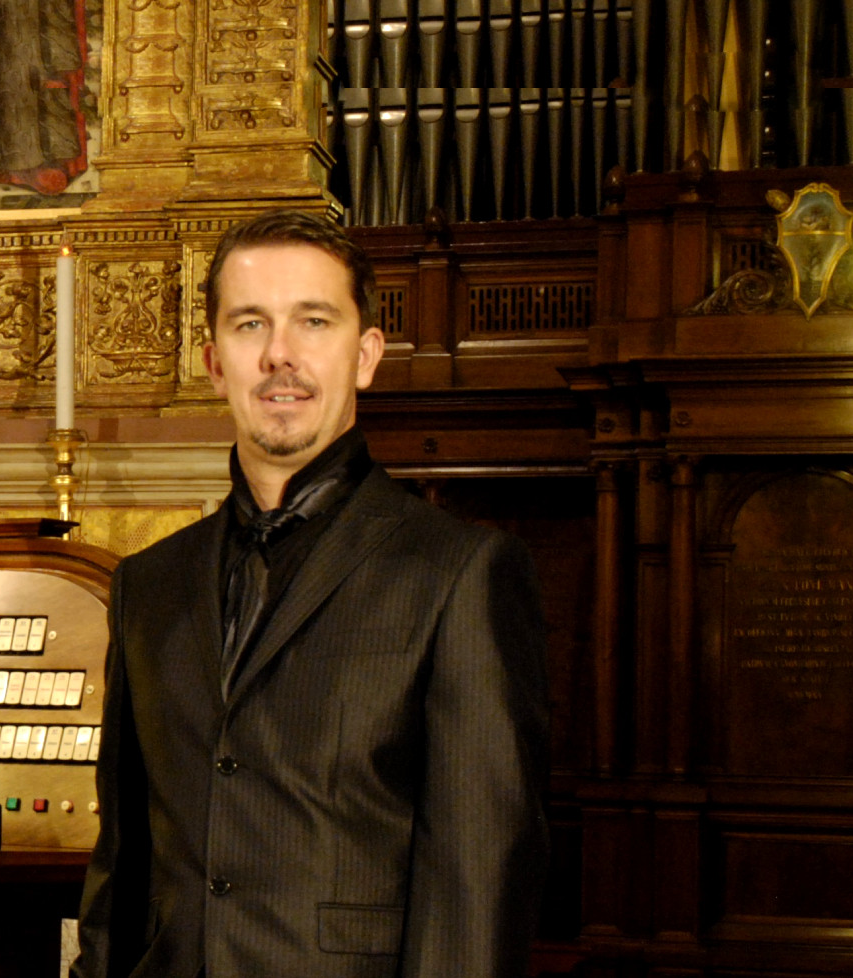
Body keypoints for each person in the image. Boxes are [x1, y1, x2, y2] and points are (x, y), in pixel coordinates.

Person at [72, 208, 550, 978]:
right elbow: (121, 865)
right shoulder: (146, 584)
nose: (279, 355)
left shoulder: (460, 572)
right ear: (214, 361)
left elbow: (478, 881)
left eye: (313, 322)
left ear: (365, 355)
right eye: (249, 324)